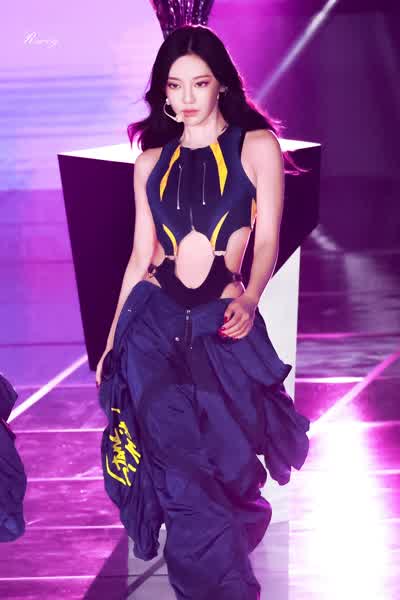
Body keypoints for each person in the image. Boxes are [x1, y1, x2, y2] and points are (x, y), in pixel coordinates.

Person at [96, 25, 310, 600]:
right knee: (180, 473)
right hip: (153, 325)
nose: (187, 96)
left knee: (231, 469)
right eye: (175, 85)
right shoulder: (150, 161)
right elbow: (140, 257)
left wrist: (250, 297)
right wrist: (112, 344)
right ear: (163, 92)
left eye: (200, 82)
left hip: (222, 325)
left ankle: (226, 557)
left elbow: (267, 240)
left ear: (222, 86)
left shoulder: (256, 146)